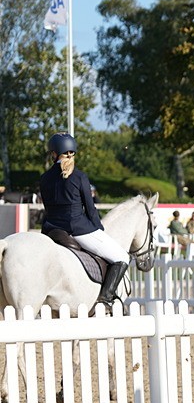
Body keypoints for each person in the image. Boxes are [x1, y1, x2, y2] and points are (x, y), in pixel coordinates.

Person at [39, 132, 128, 307]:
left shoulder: (44, 178)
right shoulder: (79, 177)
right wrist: (98, 229)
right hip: (77, 229)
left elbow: (47, 208)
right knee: (122, 257)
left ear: (53, 154)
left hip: (51, 229)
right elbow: (90, 208)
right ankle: (106, 297)